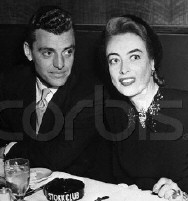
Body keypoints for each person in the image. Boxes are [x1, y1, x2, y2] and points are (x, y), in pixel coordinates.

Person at [0, 5, 101, 177]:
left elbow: (55, 156)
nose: (60, 64)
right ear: (28, 51)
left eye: (68, 52)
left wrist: (7, 150)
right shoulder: (10, 82)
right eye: (48, 53)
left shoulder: (91, 92)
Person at [103, 15, 188, 200]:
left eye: (134, 57)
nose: (123, 69)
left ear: (152, 62)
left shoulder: (184, 109)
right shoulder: (115, 113)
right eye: (114, 60)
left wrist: (182, 195)